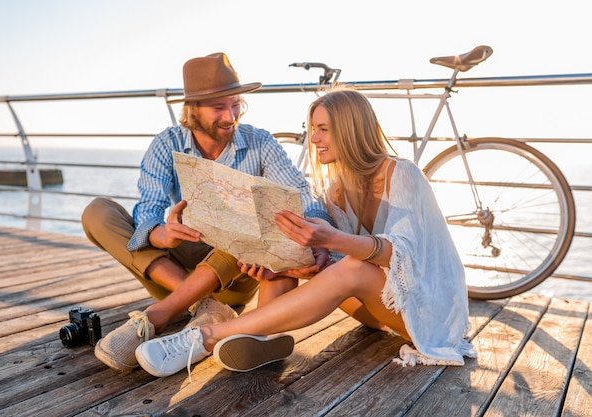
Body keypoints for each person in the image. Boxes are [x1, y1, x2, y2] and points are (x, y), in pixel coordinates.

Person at [132, 88, 477, 379]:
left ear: (351, 130)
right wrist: (285, 260)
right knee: (285, 255)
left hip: (429, 314)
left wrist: (330, 240)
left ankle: (204, 337)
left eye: (323, 129)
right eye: (313, 128)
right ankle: (262, 338)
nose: (314, 139)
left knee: (353, 268)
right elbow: (331, 260)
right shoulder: (338, 191)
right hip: (380, 312)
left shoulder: (401, 174)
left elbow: (399, 255)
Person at [81, 52, 333, 373]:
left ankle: (163, 314)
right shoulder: (167, 143)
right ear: (192, 110)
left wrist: (320, 236)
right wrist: (160, 234)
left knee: (246, 223)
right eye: (218, 108)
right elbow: (147, 210)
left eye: (236, 105)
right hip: (175, 263)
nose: (230, 116)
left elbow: (302, 197)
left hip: (236, 270)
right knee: (98, 212)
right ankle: (201, 303)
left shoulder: (260, 143)